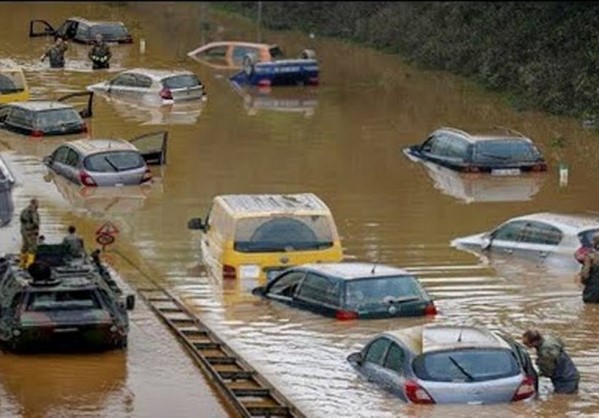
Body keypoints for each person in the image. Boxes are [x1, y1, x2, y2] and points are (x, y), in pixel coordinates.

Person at [522, 329, 580, 394]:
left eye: (527, 344)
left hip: (564, 380)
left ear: (534, 342)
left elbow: (548, 371)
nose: (526, 346)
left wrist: (535, 375)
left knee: (560, 400)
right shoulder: (549, 340)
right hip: (572, 373)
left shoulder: (545, 352)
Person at [19, 198, 40, 269]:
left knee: (25, 246)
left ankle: (22, 263)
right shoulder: (33, 211)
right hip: (31, 232)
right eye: (37, 203)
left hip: (24, 231)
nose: (38, 205)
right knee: (32, 248)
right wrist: (36, 229)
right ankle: (29, 265)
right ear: (34, 203)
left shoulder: (24, 210)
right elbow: (35, 222)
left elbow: (21, 219)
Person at [579, 234, 599, 303]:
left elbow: (585, 275)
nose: (591, 242)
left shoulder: (590, 257)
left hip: (592, 293)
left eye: (593, 241)